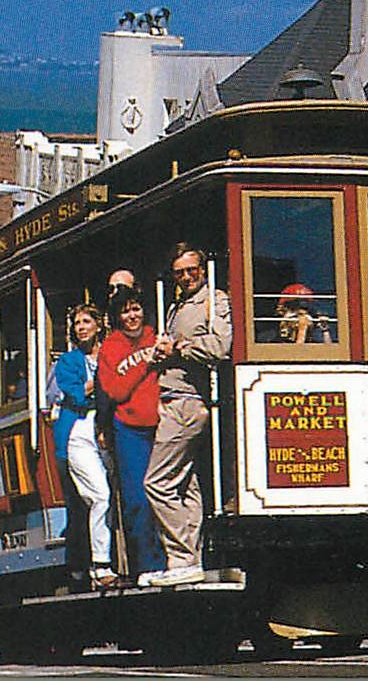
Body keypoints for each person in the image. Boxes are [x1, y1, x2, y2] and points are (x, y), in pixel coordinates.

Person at [141, 243, 231, 586]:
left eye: (191, 269)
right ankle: (191, 561)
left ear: (203, 268)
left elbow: (222, 346)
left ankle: (181, 557)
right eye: (180, 272)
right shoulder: (177, 306)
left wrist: (177, 348)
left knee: (157, 482)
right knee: (186, 486)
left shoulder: (214, 300)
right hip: (174, 399)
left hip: (188, 402)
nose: (187, 276)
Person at [96, 285, 165, 577]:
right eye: (125, 311)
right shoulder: (111, 347)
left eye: (135, 308)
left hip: (162, 426)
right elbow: (116, 390)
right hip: (129, 430)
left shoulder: (156, 336)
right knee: (137, 499)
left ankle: (175, 560)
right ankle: (148, 566)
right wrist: (146, 364)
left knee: (167, 495)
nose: (132, 315)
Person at [48, 304, 118, 589]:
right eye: (77, 323)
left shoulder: (110, 353)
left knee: (114, 495)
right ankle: (100, 564)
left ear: (98, 325)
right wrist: (104, 379)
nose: (81, 327)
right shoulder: (67, 361)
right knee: (99, 495)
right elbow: (74, 393)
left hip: (110, 426)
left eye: (87, 321)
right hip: (78, 430)